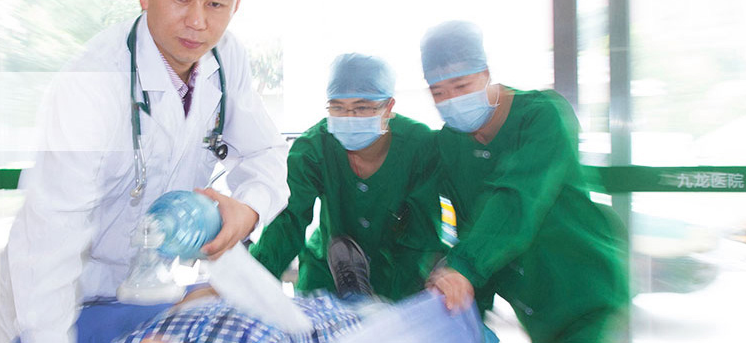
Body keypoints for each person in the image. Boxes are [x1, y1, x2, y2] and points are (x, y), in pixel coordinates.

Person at [0, 0, 289, 342]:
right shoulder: (91, 87)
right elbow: (49, 244)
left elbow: (265, 154)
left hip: (148, 291)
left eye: (216, 4)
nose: (198, 21)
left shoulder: (226, 60)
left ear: (236, 4)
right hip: (62, 300)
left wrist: (250, 209)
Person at [418, 21, 630, 342]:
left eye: (461, 86)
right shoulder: (451, 143)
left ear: (485, 73)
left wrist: (464, 269)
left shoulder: (542, 115)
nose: (450, 99)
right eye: (438, 92)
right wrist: (466, 305)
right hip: (535, 304)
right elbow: (472, 226)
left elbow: (516, 200)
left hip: (585, 290)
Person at [249, 53, 447, 303]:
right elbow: (287, 221)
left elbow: (424, 232)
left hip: (397, 276)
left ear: (388, 108)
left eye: (362, 108)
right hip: (327, 274)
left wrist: (395, 302)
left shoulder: (420, 146)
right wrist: (252, 279)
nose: (349, 118)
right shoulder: (313, 148)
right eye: (338, 107)